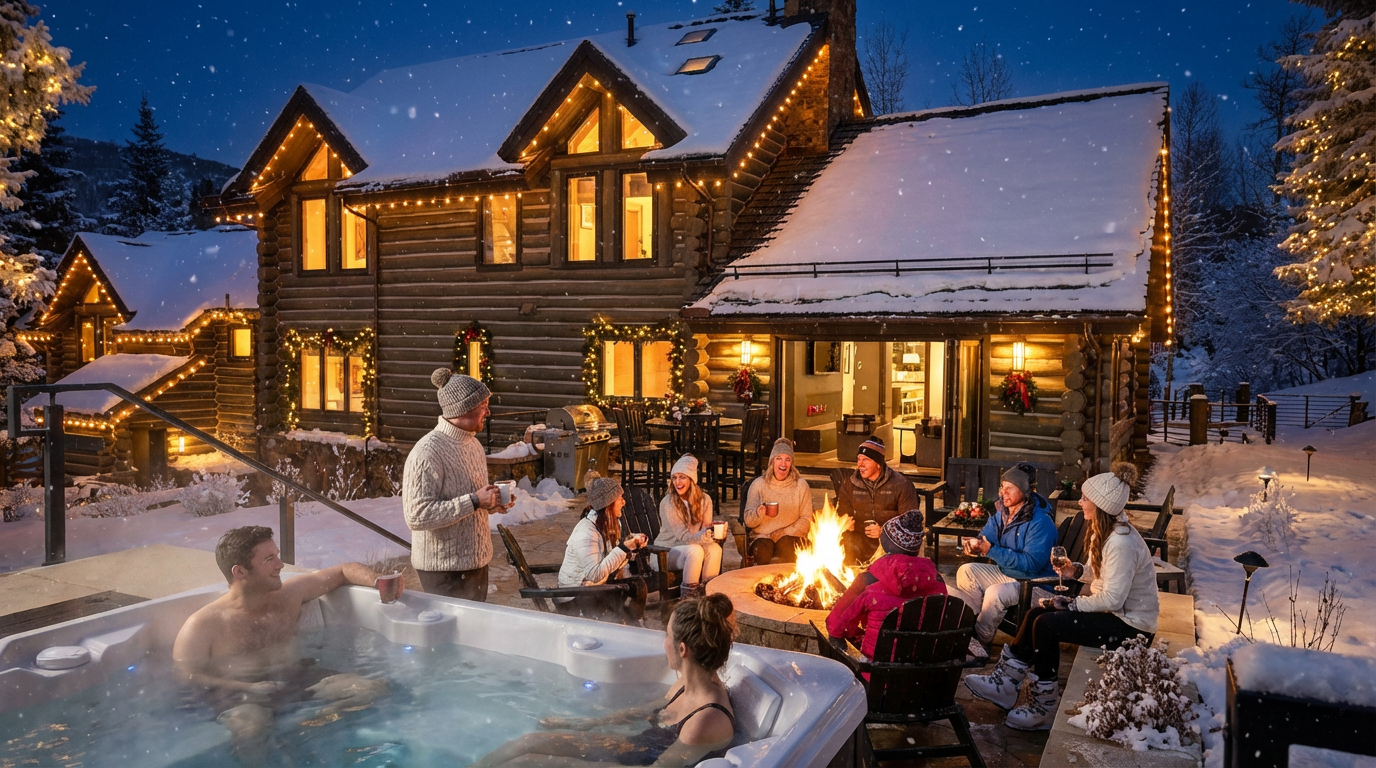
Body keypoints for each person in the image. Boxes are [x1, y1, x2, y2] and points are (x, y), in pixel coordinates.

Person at [965, 463, 1159, 731]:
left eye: (1085, 498)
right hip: (1113, 613)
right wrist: (1075, 569)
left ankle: (1043, 708)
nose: (1079, 502)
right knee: (1036, 613)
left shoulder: (1122, 542)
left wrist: (1074, 603)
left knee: (1048, 625)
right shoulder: (1106, 532)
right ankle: (1006, 685)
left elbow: (1113, 599)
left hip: (1131, 627)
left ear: (1101, 505)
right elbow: (1099, 573)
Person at [173, 526, 391, 764]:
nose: (280, 564)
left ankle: (309, 727)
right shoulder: (203, 625)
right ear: (240, 571)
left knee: (372, 689)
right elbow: (186, 676)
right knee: (252, 729)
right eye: (269, 559)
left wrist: (380, 582)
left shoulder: (288, 595)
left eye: (276, 555)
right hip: (241, 695)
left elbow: (342, 571)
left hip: (296, 679)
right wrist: (243, 686)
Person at [471, 595, 738, 768]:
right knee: (527, 743)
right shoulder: (684, 686)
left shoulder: (707, 719)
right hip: (629, 749)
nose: (663, 643)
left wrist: (571, 763)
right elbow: (642, 712)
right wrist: (584, 725)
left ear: (682, 649)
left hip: (632, 763)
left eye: (667, 636)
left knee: (527, 762)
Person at [402, 368, 513, 602]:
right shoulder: (427, 452)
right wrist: (473, 501)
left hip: (476, 562)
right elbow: (417, 515)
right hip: (444, 570)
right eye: (483, 404)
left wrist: (490, 503)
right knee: (451, 636)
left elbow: (470, 499)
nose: (488, 411)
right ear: (464, 408)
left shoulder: (473, 445)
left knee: (473, 635)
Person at [946, 463, 1058, 659]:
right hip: (1009, 574)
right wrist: (975, 547)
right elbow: (986, 538)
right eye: (1002, 487)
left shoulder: (1040, 522)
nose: (1002, 493)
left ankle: (981, 642)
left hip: (1035, 583)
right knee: (966, 570)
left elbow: (1031, 564)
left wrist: (991, 550)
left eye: (1009, 488)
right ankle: (970, 630)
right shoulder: (1004, 513)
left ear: (1023, 490)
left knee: (995, 593)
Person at [825, 510, 947, 668]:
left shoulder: (867, 580)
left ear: (885, 543)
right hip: (922, 676)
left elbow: (836, 626)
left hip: (876, 677)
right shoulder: (937, 581)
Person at [556, 472, 650, 623]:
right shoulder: (586, 532)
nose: (624, 502)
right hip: (574, 596)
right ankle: (622, 625)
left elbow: (611, 565)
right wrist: (623, 548)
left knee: (638, 585)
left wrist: (631, 550)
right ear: (609, 503)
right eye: (620, 498)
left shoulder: (610, 525)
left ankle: (632, 625)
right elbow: (595, 574)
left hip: (594, 588)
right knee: (621, 597)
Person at [835, 436, 920, 564]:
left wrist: (884, 532)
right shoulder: (849, 484)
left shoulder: (901, 484)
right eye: (859, 459)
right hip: (858, 543)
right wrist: (844, 523)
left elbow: (910, 526)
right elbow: (841, 514)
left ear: (878, 464)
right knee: (843, 543)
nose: (860, 464)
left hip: (890, 546)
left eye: (866, 460)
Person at [655, 455, 722, 599]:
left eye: (682, 477)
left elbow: (705, 530)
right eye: (674, 478)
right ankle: (689, 602)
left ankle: (708, 598)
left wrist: (714, 533)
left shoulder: (705, 500)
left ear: (692, 479)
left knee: (715, 549)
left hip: (691, 546)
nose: (677, 482)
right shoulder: (668, 503)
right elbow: (684, 537)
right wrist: (703, 536)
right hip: (664, 552)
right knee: (695, 551)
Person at [741, 438, 812, 565]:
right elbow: (748, 521)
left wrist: (783, 533)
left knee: (787, 547)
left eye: (787, 459)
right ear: (772, 462)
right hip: (762, 536)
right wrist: (758, 513)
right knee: (762, 550)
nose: (783, 464)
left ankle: (788, 583)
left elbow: (806, 520)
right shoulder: (758, 485)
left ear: (792, 463)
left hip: (790, 536)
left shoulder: (801, 485)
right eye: (779, 458)